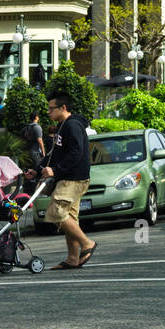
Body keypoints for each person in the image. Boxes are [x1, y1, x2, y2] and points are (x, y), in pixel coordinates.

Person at [34, 91, 97, 269]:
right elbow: (55, 154)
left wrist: (55, 170)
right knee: (70, 217)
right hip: (67, 177)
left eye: (51, 108)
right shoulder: (63, 125)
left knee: (56, 213)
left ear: (63, 108)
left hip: (73, 178)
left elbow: (76, 153)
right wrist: (38, 169)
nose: (48, 112)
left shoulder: (73, 126)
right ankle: (72, 258)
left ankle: (87, 244)